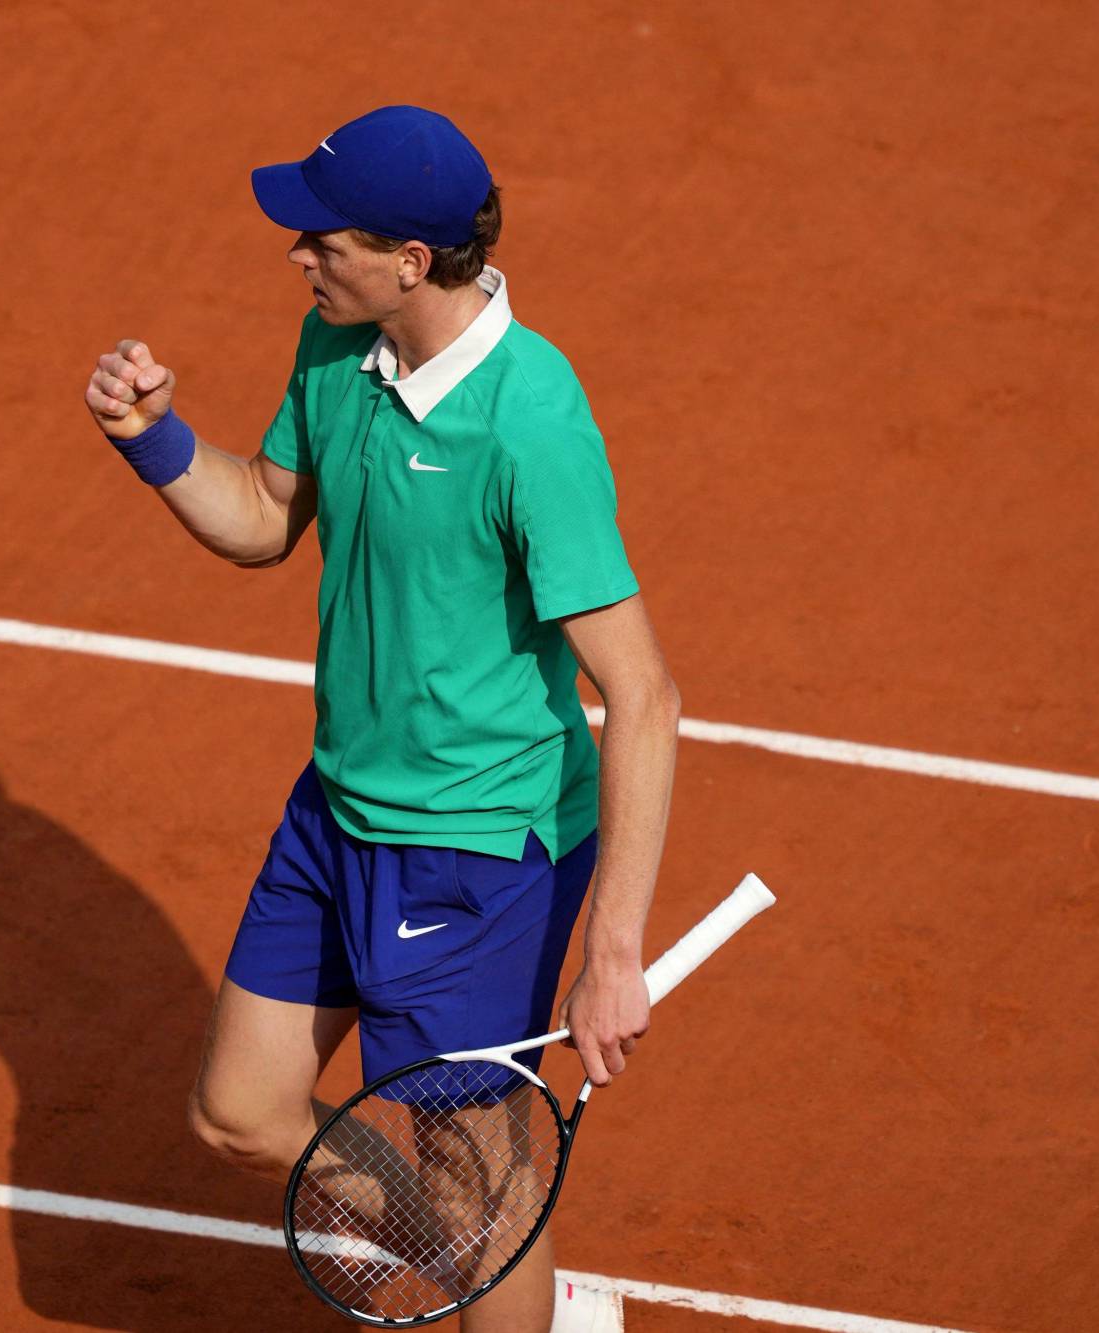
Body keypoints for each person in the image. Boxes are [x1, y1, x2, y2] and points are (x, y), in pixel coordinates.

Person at [83, 106, 681, 1332]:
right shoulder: (332, 347)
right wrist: (152, 441)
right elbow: (260, 515)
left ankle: (497, 1274)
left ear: (410, 262)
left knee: (478, 1190)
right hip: (338, 810)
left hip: (474, 852)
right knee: (240, 1115)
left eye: (322, 240)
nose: (298, 257)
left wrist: (610, 950)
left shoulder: (529, 420)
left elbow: (645, 694)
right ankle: (466, 1252)